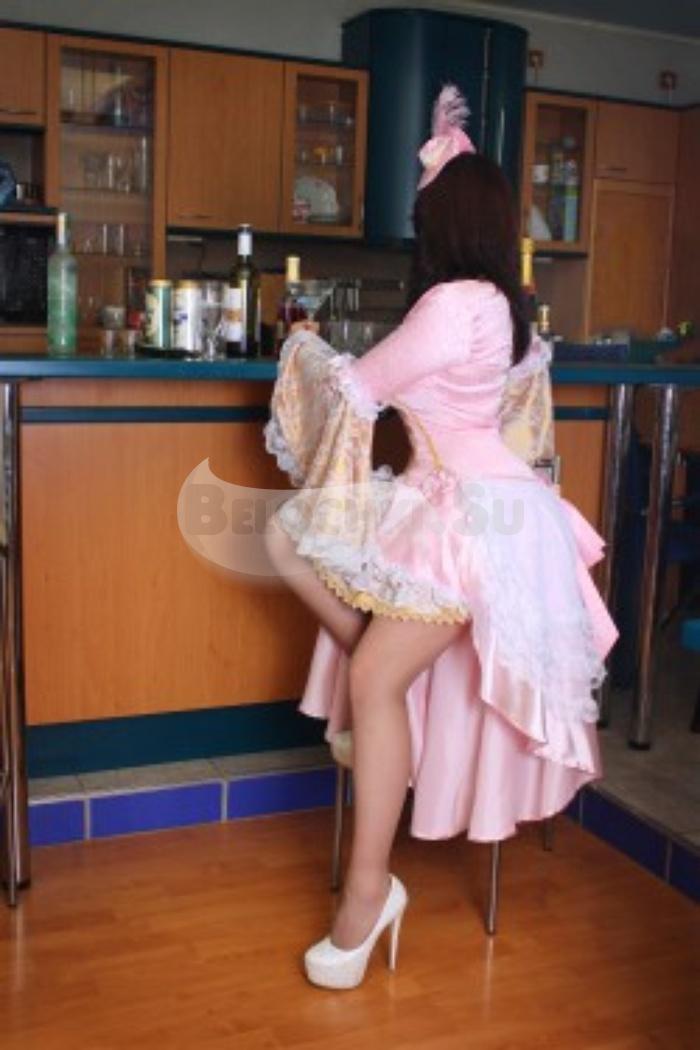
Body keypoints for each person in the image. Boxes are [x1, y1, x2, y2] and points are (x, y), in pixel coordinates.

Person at [264, 85, 617, 991]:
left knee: (369, 668)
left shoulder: (456, 302)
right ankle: (369, 726)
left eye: (424, 213)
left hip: (466, 513)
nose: (417, 226)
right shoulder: (496, 301)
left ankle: (367, 894)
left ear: (443, 222)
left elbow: (359, 389)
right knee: (296, 558)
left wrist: (301, 347)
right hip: (473, 503)